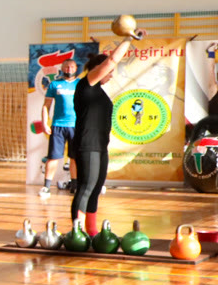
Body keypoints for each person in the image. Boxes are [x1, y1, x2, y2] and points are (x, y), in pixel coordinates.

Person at [72, 30, 142, 236]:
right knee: (85, 187)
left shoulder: (99, 91)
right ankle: (77, 231)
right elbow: (112, 60)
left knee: (96, 188)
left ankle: (91, 231)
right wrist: (129, 39)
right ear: (98, 70)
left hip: (100, 145)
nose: (111, 76)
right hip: (87, 144)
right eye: (109, 73)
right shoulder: (86, 84)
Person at [40, 59, 81, 197]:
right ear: (62, 68)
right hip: (58, 126)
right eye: (66, 67)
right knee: (53, 157)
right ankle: (46, 187)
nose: (69, 69)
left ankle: (74, 185)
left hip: (76, 126)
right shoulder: (55, 84)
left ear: (76, 68)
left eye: (72, 67)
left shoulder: (81, 84)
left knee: (75, 157)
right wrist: (45, 123)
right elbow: (46, 105)